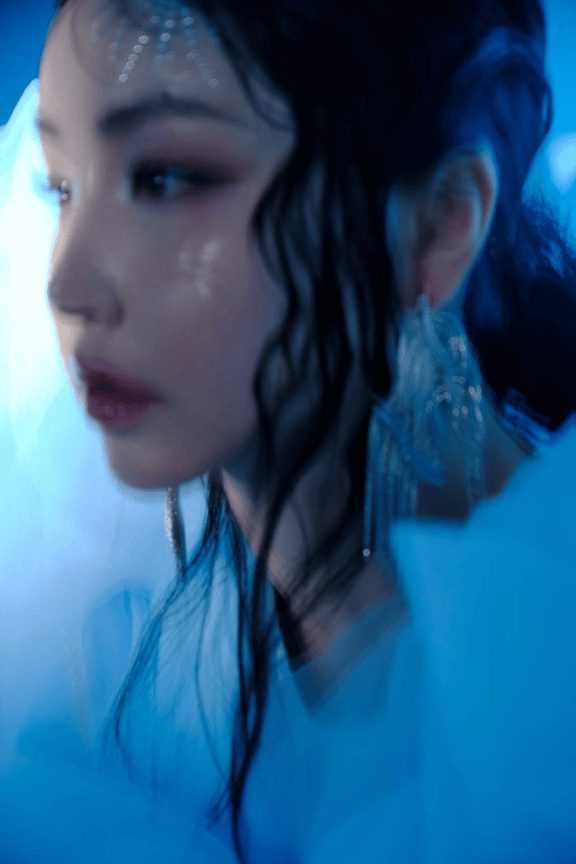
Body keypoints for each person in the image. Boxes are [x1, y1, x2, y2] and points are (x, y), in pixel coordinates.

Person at [1, 0, 576, 861]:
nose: (66, 283)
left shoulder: (546, 675)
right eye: (63, 187)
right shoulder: (97, 599)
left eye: (166, 180)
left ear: (439, 226)